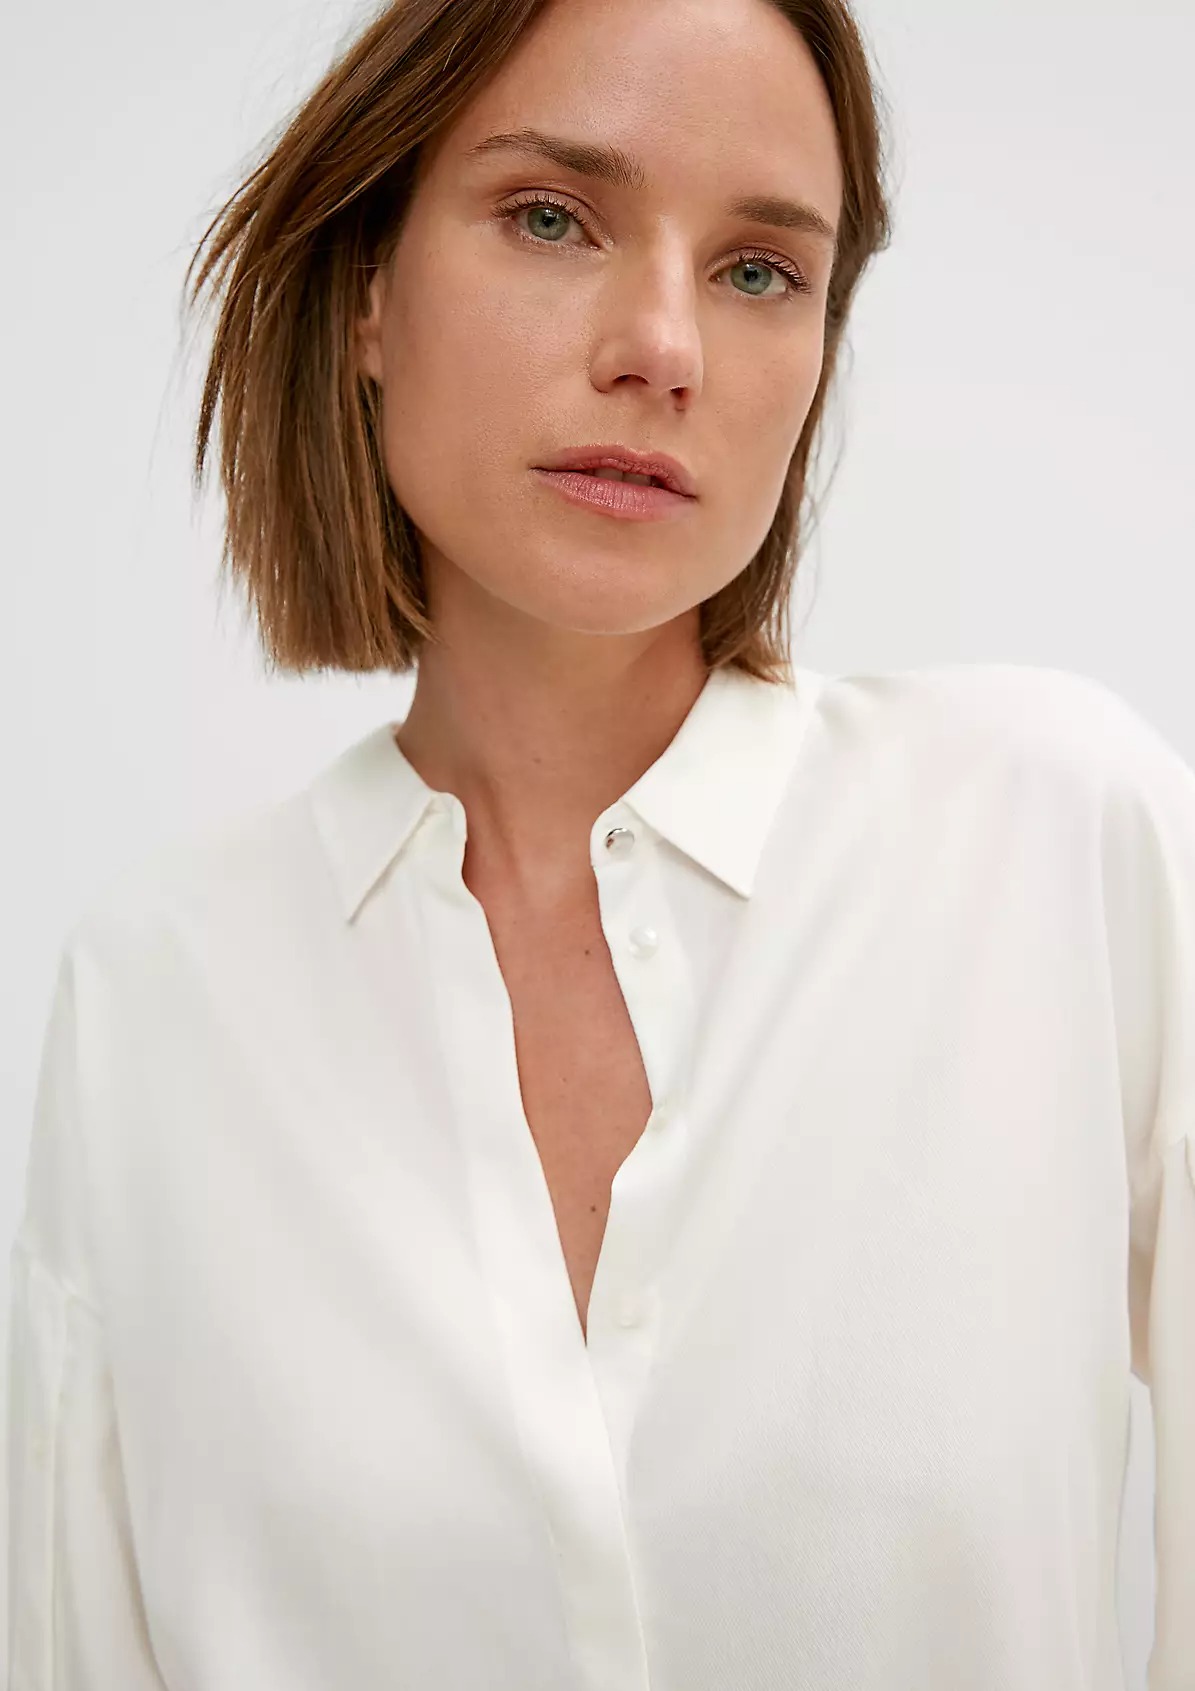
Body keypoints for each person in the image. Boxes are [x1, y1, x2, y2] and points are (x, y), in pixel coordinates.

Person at [6, 0, 1192, 1685]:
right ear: (367, 290)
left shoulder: (1064, 847)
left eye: (760, 270)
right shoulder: (156, 995)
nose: (663, 346)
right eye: (553, 218)